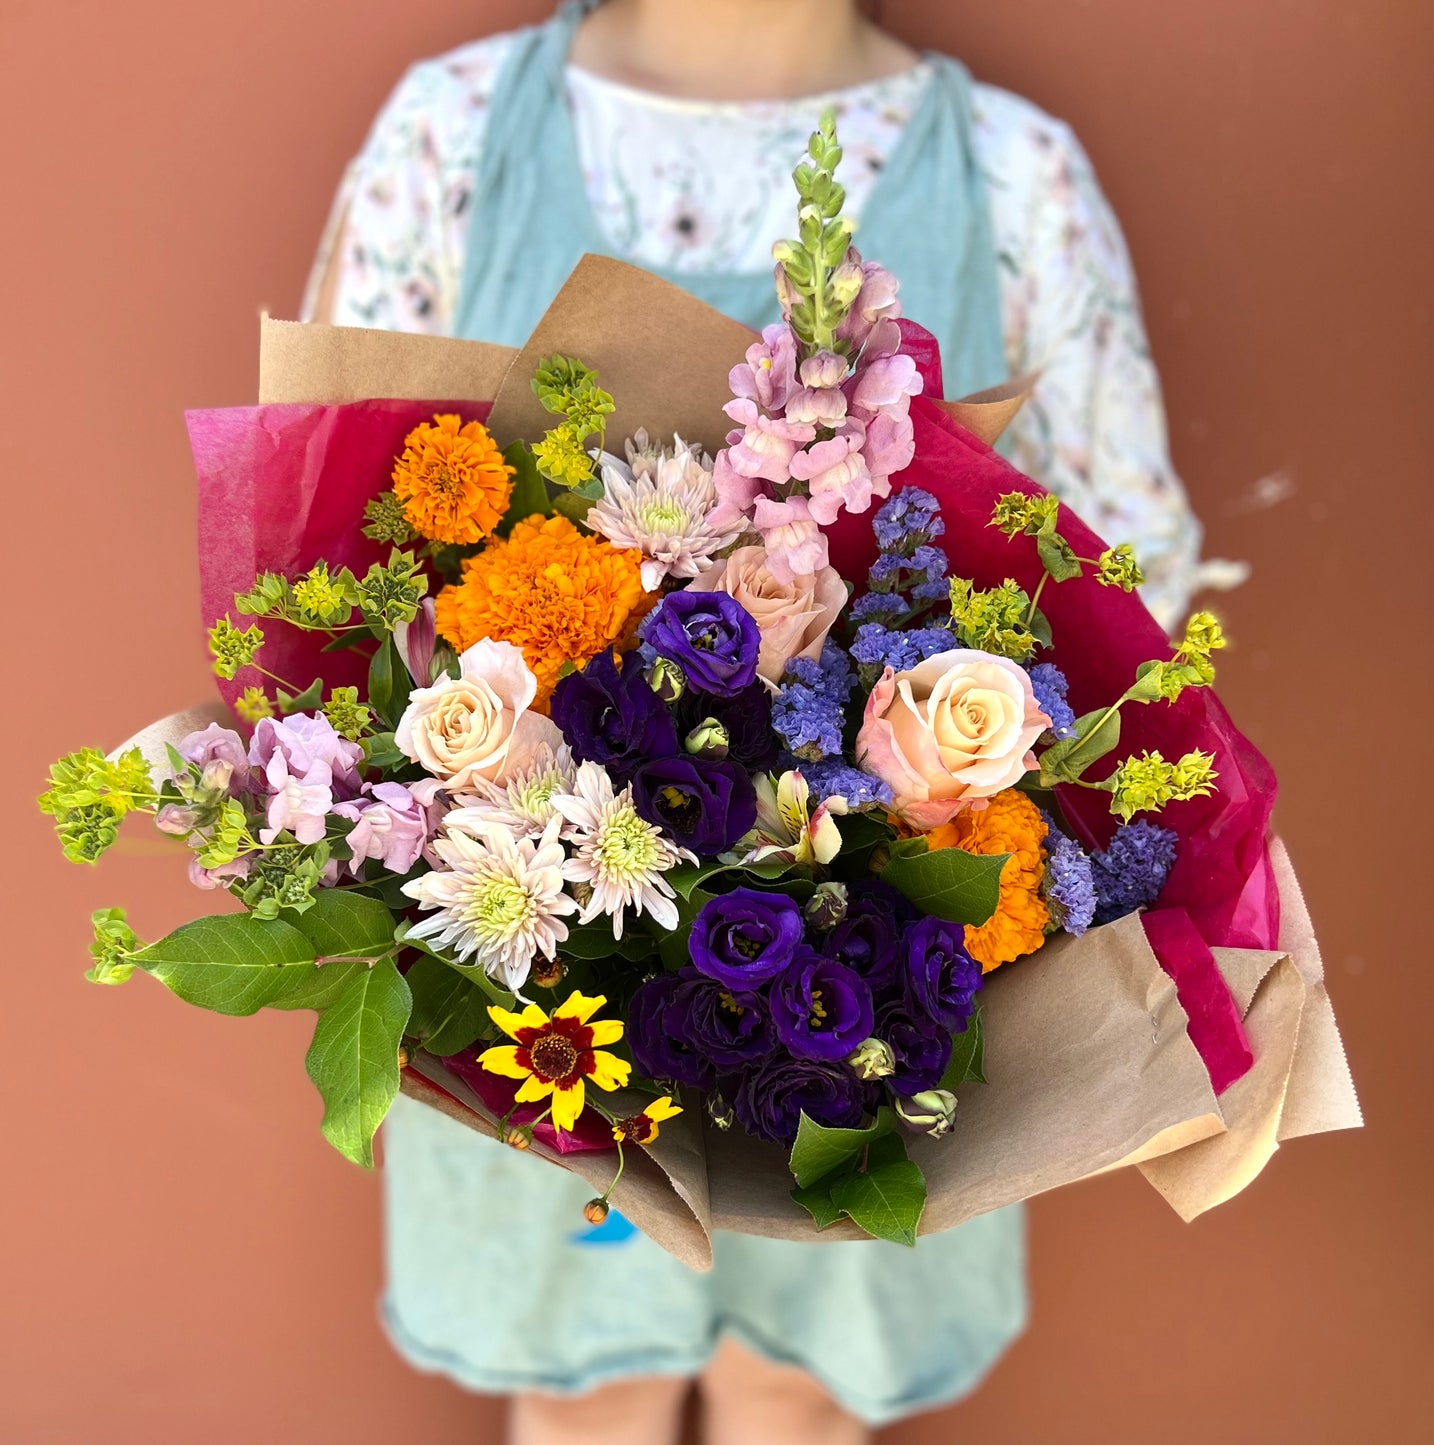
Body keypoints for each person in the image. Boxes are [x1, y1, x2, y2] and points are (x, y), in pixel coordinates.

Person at [305, 2, 1231, 1440]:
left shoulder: (1008, 173)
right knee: (584, 1398)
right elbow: (337, 543)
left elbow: (1126, 580)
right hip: (534, 963)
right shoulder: (455, 138)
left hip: (885, 990)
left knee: (800, 1403)